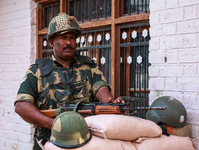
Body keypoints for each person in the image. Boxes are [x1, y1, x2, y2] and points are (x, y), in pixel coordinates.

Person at [14, 13, 124, 150]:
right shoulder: (37, 70)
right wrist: (53, 124)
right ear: (51, 41)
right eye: (63, 37)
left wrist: (109, 103)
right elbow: (21, 106)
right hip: (48, 141)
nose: (68, 42)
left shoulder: (89, 67)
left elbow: (100, 88)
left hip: (84, 140)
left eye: (72, 38)